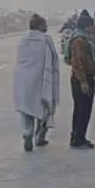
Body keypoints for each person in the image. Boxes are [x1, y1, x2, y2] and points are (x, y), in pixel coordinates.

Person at [13, 14, 60, 152]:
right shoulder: (45, 40)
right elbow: (52, 61)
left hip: (23, 79)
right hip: (41, 80)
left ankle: (27, 134)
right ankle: (39, 137)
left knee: (26, 111)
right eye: (44, 24)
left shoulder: (23, 40)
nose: (46, 27)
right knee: (43, 109)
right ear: (40, 26)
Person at [66, 13, 95, 149]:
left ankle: (78, 136)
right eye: (92, 25)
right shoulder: (79, 40)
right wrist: (83, 82)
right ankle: (78, 139)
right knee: (82, 109)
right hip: (82, 78)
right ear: (87, 27)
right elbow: (77, 63)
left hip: (85, 77)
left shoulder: (85, 39)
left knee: (82, 109)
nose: (94, 28)